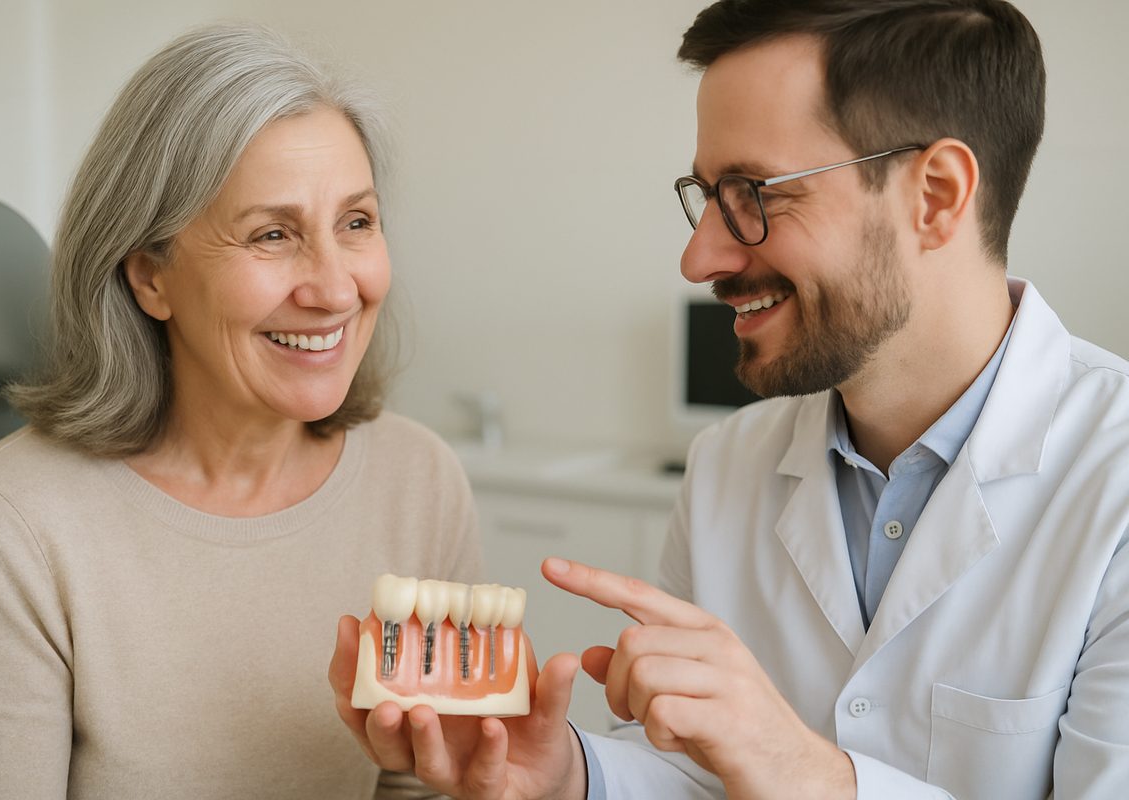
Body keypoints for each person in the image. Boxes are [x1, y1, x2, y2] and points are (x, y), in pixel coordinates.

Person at [329, 1, 1129, 798]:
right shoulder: (727, 465)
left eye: (754, 194)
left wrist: (802, 770)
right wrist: (571, 774)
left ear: (937, 195)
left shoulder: (1112, 478)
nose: (698, 255)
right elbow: (688, 771)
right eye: (706, 194)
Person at [0, 24, 483, 799]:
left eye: (356, 222)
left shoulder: (420, 479)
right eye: (272, 234)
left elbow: (414, 784)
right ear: (151, 275)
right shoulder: (14, 524)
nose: (332, 287)